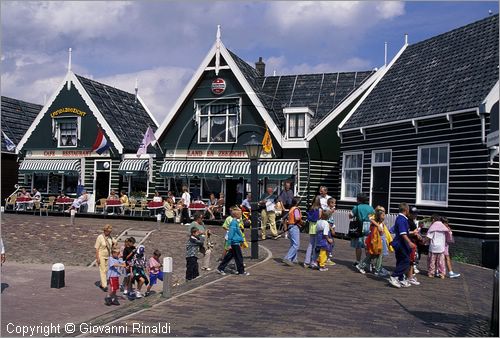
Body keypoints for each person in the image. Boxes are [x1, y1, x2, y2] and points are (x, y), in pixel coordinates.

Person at [356, 206, 392, 277]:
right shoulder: (375, 224)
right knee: (378, 255)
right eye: (383, 213)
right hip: (377, 241)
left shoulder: (379, 223)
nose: (384, 215)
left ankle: (361, 266)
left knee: (372, 255)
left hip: (378, 241)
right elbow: (371, 219)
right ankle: (377, 270)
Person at [388, 203, 415, 288]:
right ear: (406, 210)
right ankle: (394, 276)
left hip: (399, 243)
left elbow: (403, 232)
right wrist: (410, 242)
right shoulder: (402, 220)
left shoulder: (400, 219)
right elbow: (403, 234)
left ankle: (400, 278)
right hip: (401, 244)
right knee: (406, 261)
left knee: (400, 261)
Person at [217, 207, 249, 276]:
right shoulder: (234, 223)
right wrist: (229, 244)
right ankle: (241, 271)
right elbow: (231, 234)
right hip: (234, 243)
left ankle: (220, 268)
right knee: (239, 257)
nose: (241, 215)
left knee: (229, 256)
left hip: (235, 242)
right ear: (236, 215)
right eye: (240, 214)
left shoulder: (235, 222)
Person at [349, 193, 374, 266]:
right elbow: (373, 218)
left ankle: (358, 261)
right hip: (368, 226)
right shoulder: (370, 208)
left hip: (359, 226)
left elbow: (350, 216)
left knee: (358, 245)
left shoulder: (357, 207)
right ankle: (368, 261)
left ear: (358, 200)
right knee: (367, 244)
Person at [426, 215, 451, 279]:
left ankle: (431, 273)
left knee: (432, 261)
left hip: (433, 248)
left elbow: (429, 237)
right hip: (441, 248)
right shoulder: (443, 227)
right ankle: (442, 274)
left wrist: (424, 241)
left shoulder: (432, 227)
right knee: (441, 262)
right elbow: (448, 234)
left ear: (433, 220)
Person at [282, 197, 303, 266]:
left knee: (293, 243)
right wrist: (302, 221)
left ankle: (294, 259)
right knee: (296, 244)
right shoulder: (296, 209)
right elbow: (297, 218)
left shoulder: (291, 208)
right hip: (294, 227)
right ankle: (287, 258)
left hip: (290, 226)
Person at [95, 224, 116, 291]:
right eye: (108, 231)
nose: (109, 233)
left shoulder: (110, 237)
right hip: (101, 255)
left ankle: (101, 283)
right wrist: (97, 258)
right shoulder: (100, 237)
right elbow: (97, 248)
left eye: (110, 232)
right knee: (103, 270)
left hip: (108, 256)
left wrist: (114, 243)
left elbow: (115, 242)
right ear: (105, 230)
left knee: (106, 270)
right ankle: (104, 285)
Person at [303, 196, 322, 269]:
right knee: (316, 246)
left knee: (310, 245)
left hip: (311, 227)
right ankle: (313, 262)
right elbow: (320, 218)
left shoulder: (311, 208)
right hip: (317, 228)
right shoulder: (319, 210)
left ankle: (306, 262)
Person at [326, 197, 337, 265]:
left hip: (330, 227)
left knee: (332, 243)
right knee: (329, 243)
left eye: (334, 203)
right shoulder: (328, 210)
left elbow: (332, 220)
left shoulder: (330, 210)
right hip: (328, 229)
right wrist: (332, 229)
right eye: (332, 203)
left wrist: (334, 227)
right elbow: (327, 221)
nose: (334, 204)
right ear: (329, 203)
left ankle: (327, 257)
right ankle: (327, 259)